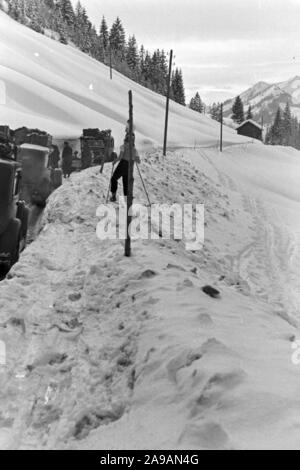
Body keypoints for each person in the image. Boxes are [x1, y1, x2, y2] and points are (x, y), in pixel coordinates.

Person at [110, 133, 140, 202]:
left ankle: (113, 196)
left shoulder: (123, 146)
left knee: (114, 179)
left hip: (122, 164)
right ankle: (126, 200)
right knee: (126, 183)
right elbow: (138, 161)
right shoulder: (134, 149)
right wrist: (133, 157)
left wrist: (115, 161)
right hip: (130, 167)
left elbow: (120, 157)